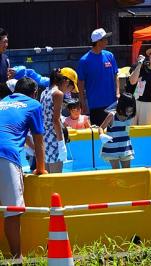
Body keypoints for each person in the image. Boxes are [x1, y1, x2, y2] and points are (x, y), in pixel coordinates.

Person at [0, 77, 47, 258]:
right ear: (34, 93)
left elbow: (13, 129)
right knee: (12, 212)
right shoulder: (34, 105)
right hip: (6, 156)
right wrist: (41, 168)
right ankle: (16, 258)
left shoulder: (3, 103)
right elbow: (38, 139)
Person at [77, 28, 119, 126]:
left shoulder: (110, 56)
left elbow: (116, 75)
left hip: (112, 103)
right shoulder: (84, 60)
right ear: (98, 42)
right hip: (95, 104)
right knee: (99, 134)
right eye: (105, 39)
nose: (107, 41)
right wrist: (82, 102)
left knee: (112, 133)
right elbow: (80, 83)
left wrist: (117, 92)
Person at [40, 68, 77, 173]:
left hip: (44, 138)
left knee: (47, 177)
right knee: (56, 178)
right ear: (66, 82)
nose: (69, 91)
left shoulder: (44, 92)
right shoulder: (58, 94)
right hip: (53, 139)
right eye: (71, 87)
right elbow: (55, 120)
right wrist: (61, 144)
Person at [99, 92, 136, 169]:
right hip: (112, 148)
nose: (129, 113)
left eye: (131, 111)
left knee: (127, 172)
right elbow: (101, 128)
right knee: (116, 171)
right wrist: (102, 135)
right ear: (121, 107)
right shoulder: (112, 115)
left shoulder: (129, 117)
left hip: (125, 148)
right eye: (128, 111)